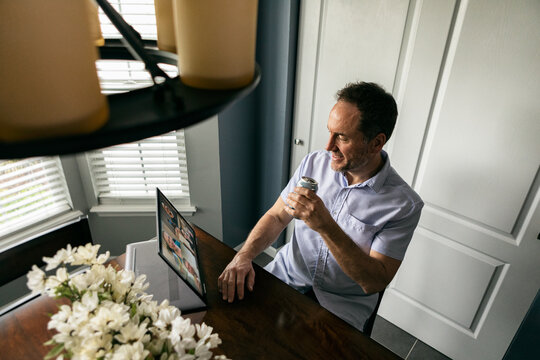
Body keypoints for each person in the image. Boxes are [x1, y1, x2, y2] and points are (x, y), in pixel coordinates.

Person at [217, 81, 424, 331]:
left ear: (376, 143)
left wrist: (325, 226)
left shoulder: (404, 205)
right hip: (286, 275)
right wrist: (243, 256)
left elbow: (373, 281)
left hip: (341, 306)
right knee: (231, 327)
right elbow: (277, 216)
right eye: (330, 132)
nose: (328, 147)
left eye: (342, 137)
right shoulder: (314, 162)